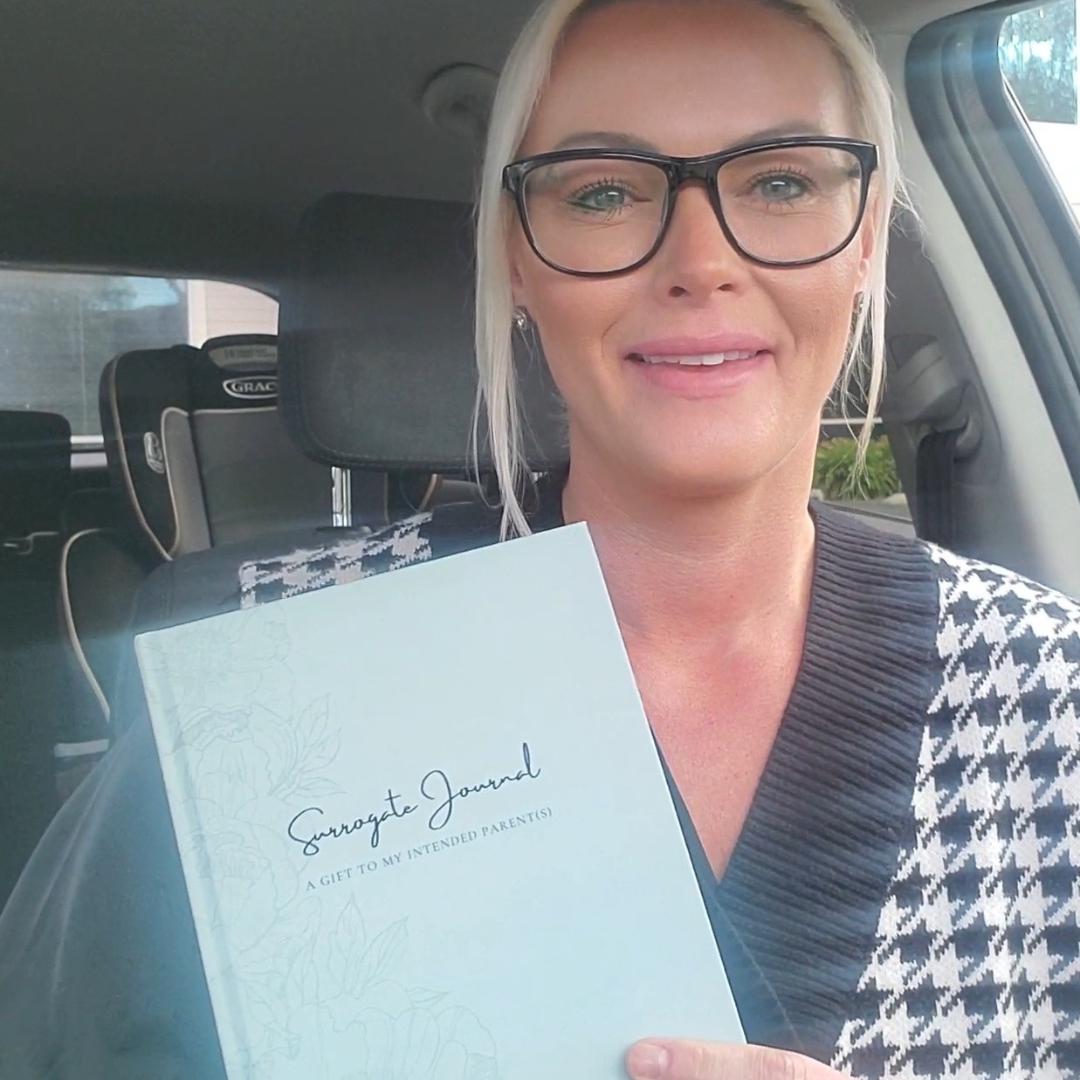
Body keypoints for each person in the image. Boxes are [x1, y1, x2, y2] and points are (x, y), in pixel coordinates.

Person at [2, 0, 1079, 1078]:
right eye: (603, 192)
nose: (701, 259)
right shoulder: (258, 689)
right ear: (518, 261)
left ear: (868, 238)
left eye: (784, 182)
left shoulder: (1049, 691)